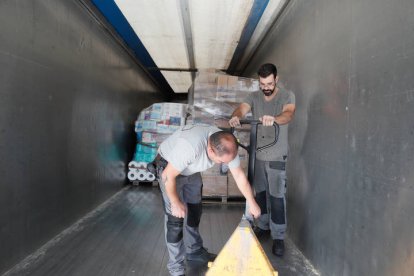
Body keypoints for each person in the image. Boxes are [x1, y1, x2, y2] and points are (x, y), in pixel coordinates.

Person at [154, 124, 261, 276]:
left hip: (190, 169)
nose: (225, 164)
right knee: (174, 222)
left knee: (195, 211)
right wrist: (175, 202)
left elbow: (239, 176)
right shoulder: (190, 147)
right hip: (169, 169)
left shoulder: (227, 145)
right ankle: (176, 268)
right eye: (221, 161)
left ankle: (194, 251)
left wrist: (252, 201)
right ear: (210, 150)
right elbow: (167, 176)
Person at [229, 63, 295, 257]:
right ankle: (263, 226)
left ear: (276, 80)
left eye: (269, 83)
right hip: (258, 155)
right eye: (262, 83)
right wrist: (235, 117)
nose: (266, 87)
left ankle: (279, 237)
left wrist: (274, 119)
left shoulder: (286, 96)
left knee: (276, 197)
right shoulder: (255, 96)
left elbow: (288, 114)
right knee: (260, 194)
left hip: (276, 155)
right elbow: (241, 108)